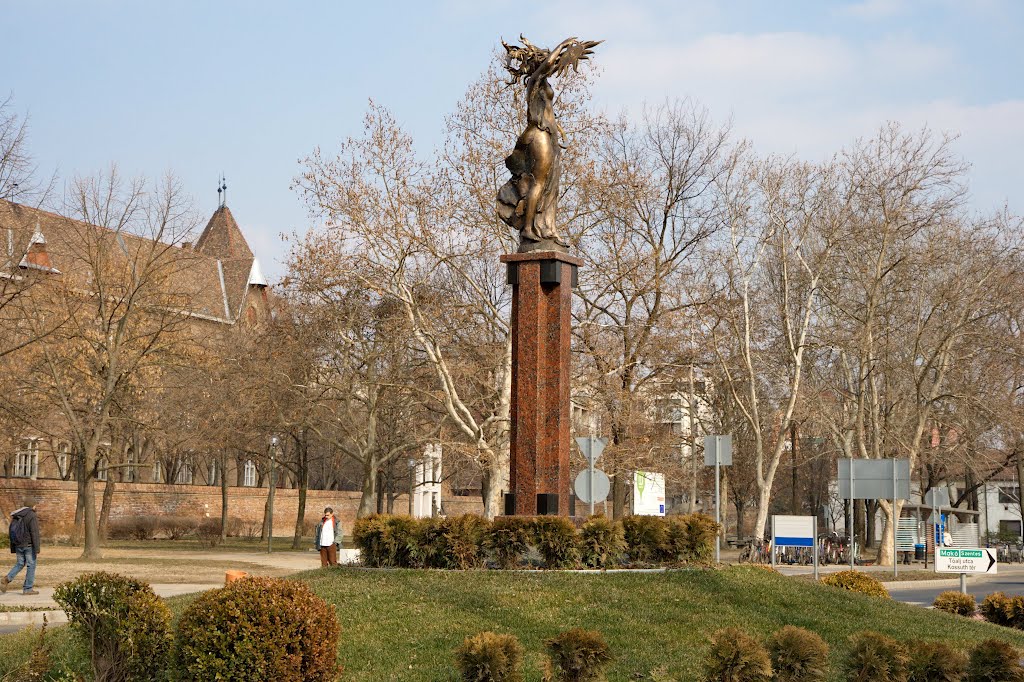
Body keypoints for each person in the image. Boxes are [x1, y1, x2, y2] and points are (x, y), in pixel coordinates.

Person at [2, 497, 40, 595]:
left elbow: (12, 531)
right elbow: (34, 532)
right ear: (32, 505)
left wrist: (13, 546)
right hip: (28, 545)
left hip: (18, 544)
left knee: (20, 563)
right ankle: (28, 589)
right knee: (31, 565)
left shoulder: (16, 515)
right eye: (35, 505)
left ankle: (7, 578)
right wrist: (37, 548)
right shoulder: (31, 515)